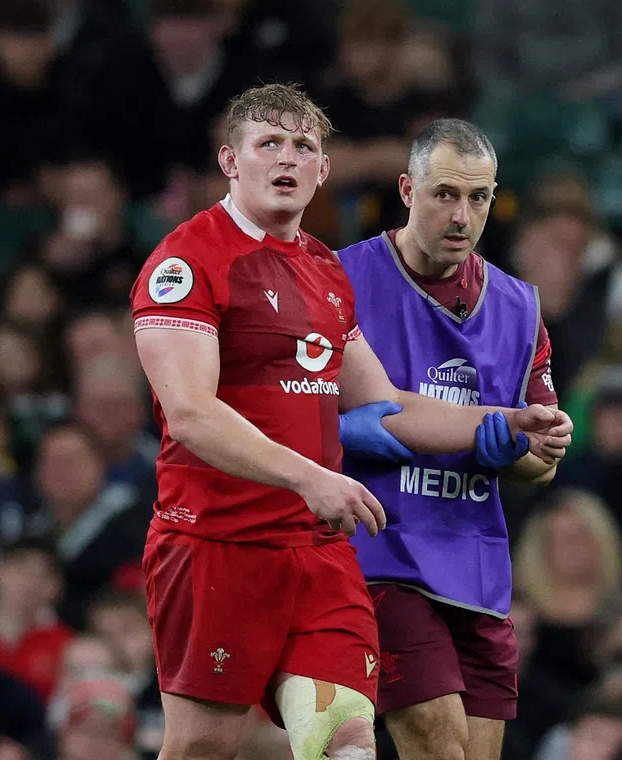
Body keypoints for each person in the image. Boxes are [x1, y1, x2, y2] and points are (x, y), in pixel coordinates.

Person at [129, 83, 572, 760]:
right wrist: (313, 477)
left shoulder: (324, 274)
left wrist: (511, 420)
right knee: (201, 748)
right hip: (217, 544)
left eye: (303, 145)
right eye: (268, 143)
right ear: (230, 161)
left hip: (318, 551)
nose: (288, 157)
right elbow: (190, 415)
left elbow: (387, 403)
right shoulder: (186, 263)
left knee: (346, 740)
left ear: (322, 170)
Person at [333, 118, 567, 760]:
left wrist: (522, 453)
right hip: (382, 555)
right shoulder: (340, 282)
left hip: (477, 564)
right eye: (444, 194)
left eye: (479, 197)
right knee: (439, 747)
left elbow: (541, 464)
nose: (461, 215)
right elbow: (297, 412)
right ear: (407, 190)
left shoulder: (521, 308)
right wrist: (347, 432)